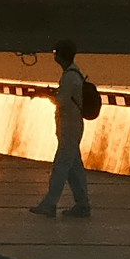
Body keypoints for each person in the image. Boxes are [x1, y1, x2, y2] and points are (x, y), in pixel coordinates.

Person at [33, 40, 101, 217]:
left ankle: (50, 203)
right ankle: (82, 204)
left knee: (61, 165)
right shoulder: (74, 73)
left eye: (56, 52)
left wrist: (45, 94)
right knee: (74, 167)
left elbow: (62, 101)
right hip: (70, 126)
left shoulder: (70, 76)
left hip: (69, 126)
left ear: (61, 55)